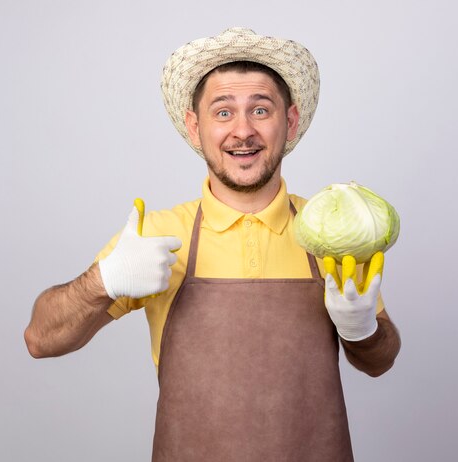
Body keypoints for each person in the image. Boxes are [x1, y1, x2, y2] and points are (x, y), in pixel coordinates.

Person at [25, 27, 401, 462]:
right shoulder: (158, 235)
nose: (243, 131)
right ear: (194, 126)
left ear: (291, 121)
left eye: (261, 109)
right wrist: (102, 281)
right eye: (223, 113)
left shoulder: (330, 231)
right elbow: (40, 339)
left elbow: (380, 361)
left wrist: (363, 330)